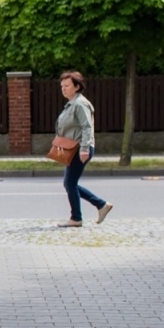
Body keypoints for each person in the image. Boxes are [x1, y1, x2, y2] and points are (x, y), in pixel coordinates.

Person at [56, 70, 112, 228]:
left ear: (77, 86)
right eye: (62, 86)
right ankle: (100, 205)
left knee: (70, 183)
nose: (63, 88)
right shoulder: (71, 104)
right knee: (70, 183)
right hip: (73, 147)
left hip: (80, 147)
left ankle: (77, 218)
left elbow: (87, 127)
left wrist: (84, 149)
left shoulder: (80, 104)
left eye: (67, 85)